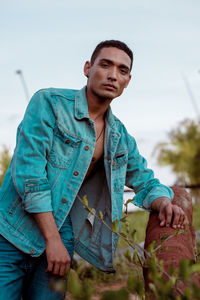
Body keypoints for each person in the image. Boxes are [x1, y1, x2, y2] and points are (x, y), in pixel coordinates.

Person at [0, 40, 187, 300]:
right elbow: (29, 176)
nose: (113, 75)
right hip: (10, 230)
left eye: (122, 70)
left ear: (128, 81)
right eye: (105, 64)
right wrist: (52, 240)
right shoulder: (49, 104)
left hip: (60, 230)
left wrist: (164, 202)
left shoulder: (119, 137)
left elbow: (145, 181)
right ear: (88, 68)